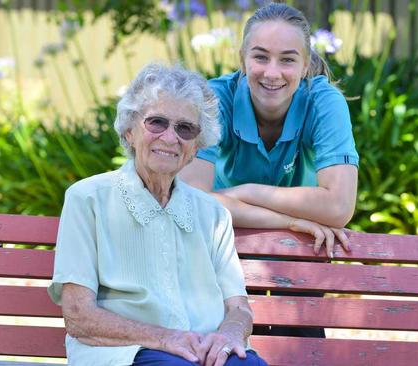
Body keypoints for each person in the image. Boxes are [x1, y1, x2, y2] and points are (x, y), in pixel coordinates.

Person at [47, 63, 268, 366]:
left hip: (203, 352)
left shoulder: (213, 214)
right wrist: (166, 338)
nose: (169, 137)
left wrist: (229, 335)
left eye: (185, 128)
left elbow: (238, 308)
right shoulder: (88, 199)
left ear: (196, 146)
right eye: (156, 123)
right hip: (126, 353)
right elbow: (79, 317)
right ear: (129, 130)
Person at [180, 2, 359, 259]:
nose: (272, 73)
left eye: (287, 59)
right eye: (260, 57)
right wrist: (287, 221)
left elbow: (339, 207)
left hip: (305, 246)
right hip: (224, 240)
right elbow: (193, 202)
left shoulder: (324, 102)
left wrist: (246, 192)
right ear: (242, 59)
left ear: (305, 65)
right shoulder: (213, 99)